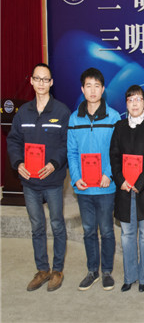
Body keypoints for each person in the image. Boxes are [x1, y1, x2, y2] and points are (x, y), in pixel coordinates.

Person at [6, 63, 70, 292]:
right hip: (30, 182)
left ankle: (57, 270)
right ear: (31, 81)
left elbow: (66, 143)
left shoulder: (62, 112)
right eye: (37, 78)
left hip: (52, 180)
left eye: (46, 79)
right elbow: (13, 141)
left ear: (51, 83)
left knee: (57, 224)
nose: (41, 83)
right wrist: (18, 163)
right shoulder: (23, 112)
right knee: (37, 226)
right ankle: (42, 269)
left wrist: (54, 164)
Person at [67, 68, 120, 291]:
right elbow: (71, 152)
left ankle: (106, 271)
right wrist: (75, 178)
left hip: (106, 186)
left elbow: (116, 150)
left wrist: (108, 174)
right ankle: (92, 271)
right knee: (89, 230)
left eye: (97, 86)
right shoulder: (74, 118)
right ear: (82, 89)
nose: (93, 90)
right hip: (84, 188)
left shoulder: (114, 117)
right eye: (88, 86)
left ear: (103, 89)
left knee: (106, 230)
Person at [110, 85, 144, 293]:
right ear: (126, 104)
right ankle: (129, 276)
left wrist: (138, 183)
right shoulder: (119, 126)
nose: (134, 104)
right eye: (130, 100)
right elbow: (114, 156)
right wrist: (121, 180)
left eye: (138, 99)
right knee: (127, 235)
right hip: (124, 188)